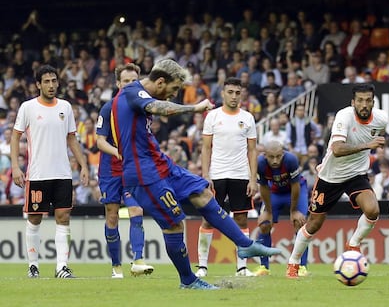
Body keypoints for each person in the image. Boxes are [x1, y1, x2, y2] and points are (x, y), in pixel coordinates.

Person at [110, 59, 281, 290]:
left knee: (202, 193)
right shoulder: (133, 92)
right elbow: (160, 108)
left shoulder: (135, 95)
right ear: (160, 82)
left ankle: (244, 244)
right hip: (143, 173)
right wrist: (195, 108)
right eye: (173, 89)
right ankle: (188, 280)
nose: (173, 94)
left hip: (160, 163)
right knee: (174, 224)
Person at [286, 83, 388, 278]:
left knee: (373, 210)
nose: (364, 104)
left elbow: (375, 137)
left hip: (356, 174)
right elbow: (338, 149)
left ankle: (354, 243)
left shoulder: (381, 120)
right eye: (360, 100)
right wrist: (368, 145)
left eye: (368, 100)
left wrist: (372, 146)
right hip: (330, 177)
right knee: (314, 224)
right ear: (353, 102)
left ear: (373, 102)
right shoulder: (344, 116)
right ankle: (293, 262)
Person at [10, 65, 89, 278]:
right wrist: (16, 167)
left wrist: (83, 165)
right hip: (37, 174)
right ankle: (33, 265)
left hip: (62, 173)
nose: (51, 85)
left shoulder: (65, 106)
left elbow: (72, 138)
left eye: (54, 81)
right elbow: (16, 137)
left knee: (63, 217)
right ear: (38, 84)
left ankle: (61, 267)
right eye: (46, 81)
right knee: (35, 218)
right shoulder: (28, 107)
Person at [195, 77, 258, 278]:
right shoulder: (212, 117)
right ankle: (202, 266)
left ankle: (241, 267)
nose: (233, 96)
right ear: (223, 93)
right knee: (208, 219)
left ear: (242, 94)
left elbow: (253, 150)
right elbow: (205, 148)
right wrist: (206, 175)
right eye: (230, 92)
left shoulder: (248, 118)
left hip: (240, 175)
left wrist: (253, 179)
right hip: (217, 175)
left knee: (241, 219)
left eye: (237, 93)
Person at [96, 63, 154, 279]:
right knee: (112, 216)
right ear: (118, 84)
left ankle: (138, 260)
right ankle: (116, 266)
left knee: (136, 211)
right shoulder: (108, 108)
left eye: (134, 81)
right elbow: (100, 141)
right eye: (126, 81)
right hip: (110, 170)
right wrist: (117, 151)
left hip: (132, 169)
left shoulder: (142, 108)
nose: (130, 85)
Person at [255, 141, 309, 277]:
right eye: (271, 157)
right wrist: (267, 210)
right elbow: (263, 187)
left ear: (283, 154)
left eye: (278, 156)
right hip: (275, 192)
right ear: (265, 155)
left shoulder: (291, 159)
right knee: (264, 225)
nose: (275, 160)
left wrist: (293, 211)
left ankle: (301, 266)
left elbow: (295, 186)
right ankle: (264, 267)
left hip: (296, 191)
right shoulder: (260, 163)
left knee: (300, 224)